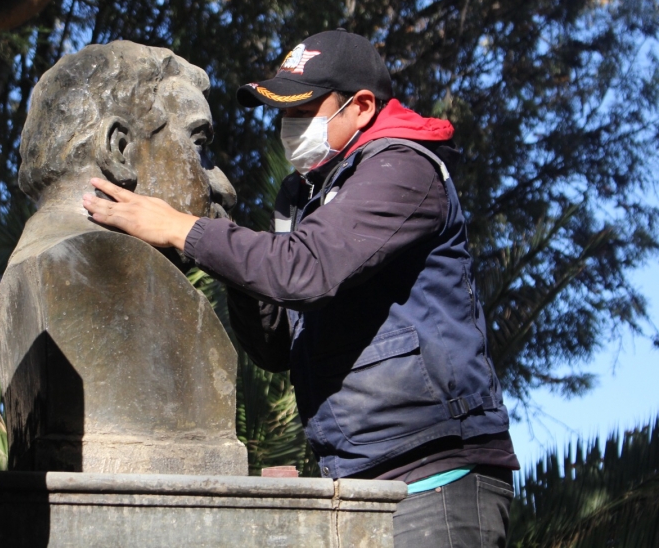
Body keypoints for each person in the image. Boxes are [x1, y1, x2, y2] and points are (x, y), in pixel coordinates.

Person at [83, 29, 519, 545]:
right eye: (283, 113)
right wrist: (234, 266)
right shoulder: (302, 195)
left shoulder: (405, 167)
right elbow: (276, 344)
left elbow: (303, 268)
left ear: (359, 106)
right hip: (356, 477)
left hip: (433, 477)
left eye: (304, 109)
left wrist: (183, 229)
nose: (288, 126)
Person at [0, 40, 246, 475]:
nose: (222, 185)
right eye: (198, 142)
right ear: (120, 149)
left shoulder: (24, 272)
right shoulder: (107, 274)